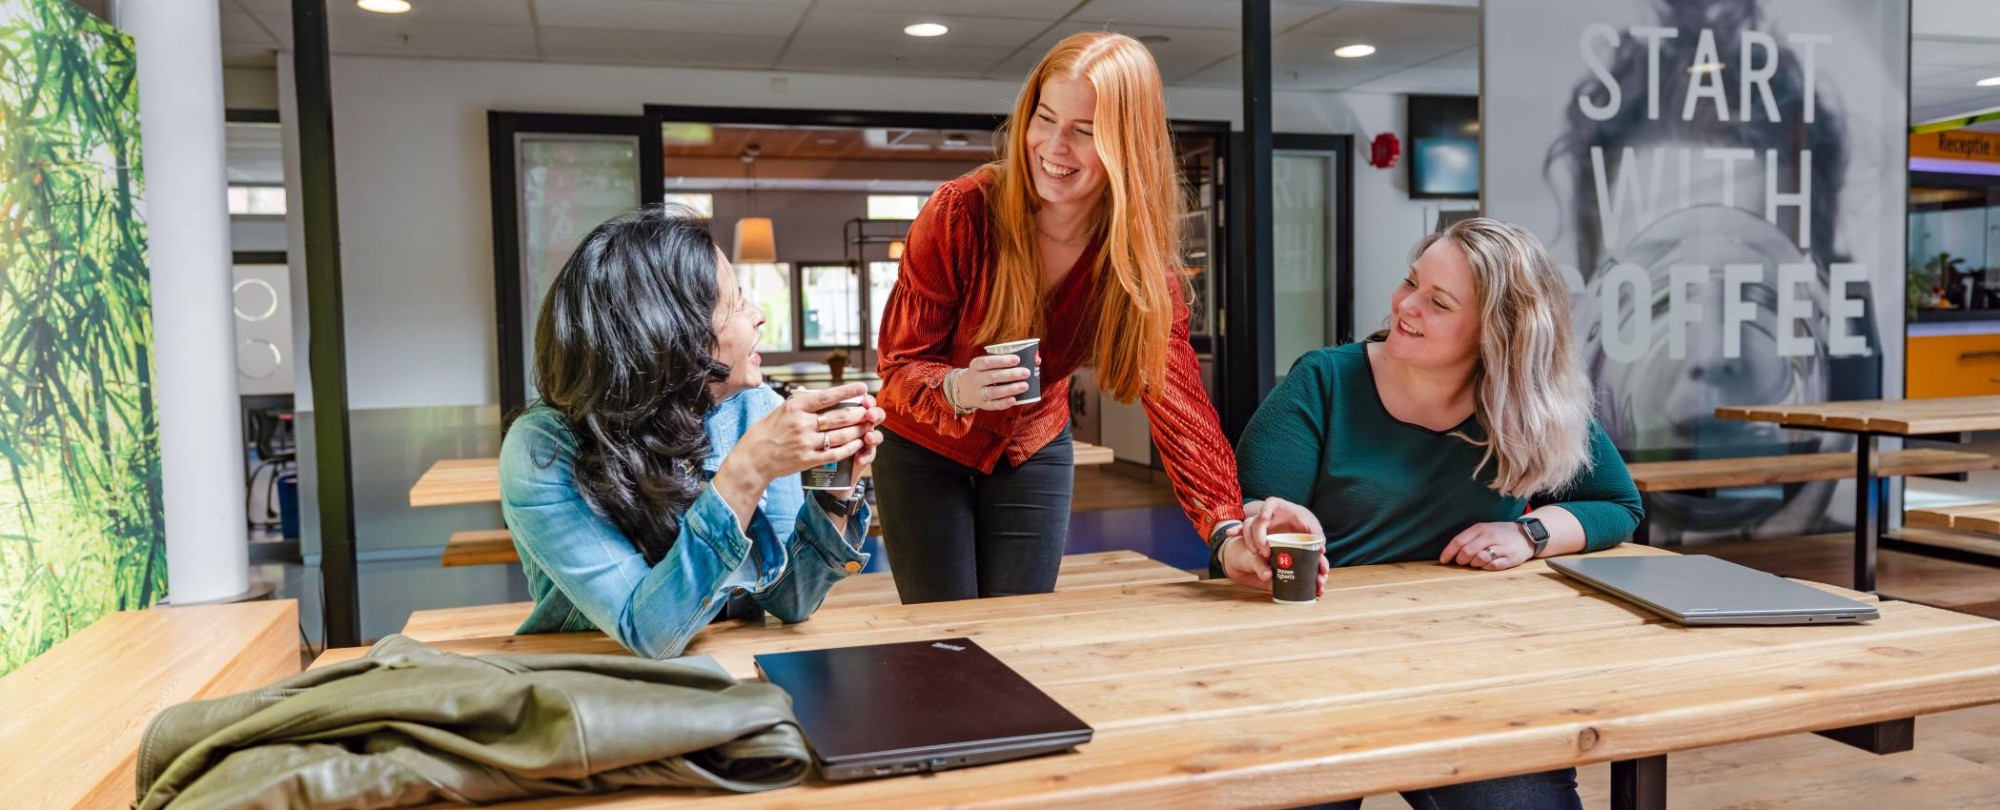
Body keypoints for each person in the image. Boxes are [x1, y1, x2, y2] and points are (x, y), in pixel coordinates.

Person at [1231, 218, 1644, 810]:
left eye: (1439, 302)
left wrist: (1528, 532)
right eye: (1410, 282)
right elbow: (1245, 522)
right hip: (1311, 671)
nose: (1405, 305)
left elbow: (1617, 505)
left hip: (1462, 672)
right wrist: (1266, 532)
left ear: (1497, 335)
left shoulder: (1529, 407)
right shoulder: (1323, 381)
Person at [874, 31, 1283, 604]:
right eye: (1045, 118)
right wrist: (959, 387)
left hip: (1032, 447)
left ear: (1128, 146)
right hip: (925, 450)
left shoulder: (1135, 261)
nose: (1053, 147)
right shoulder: (959, 214)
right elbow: (898, 370)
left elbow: (1178, 402)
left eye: (1085, 132)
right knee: (948, 639)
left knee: (1021, 632)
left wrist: (1227, 529)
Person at [499, 204, 885, 659]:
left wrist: (835, 486)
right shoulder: (542, 448)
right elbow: (648, 633)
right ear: (669, 330)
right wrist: (748, 469)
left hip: (733, 673)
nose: (758, 315)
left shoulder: (757, 409)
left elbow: (790, 600)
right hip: (593, 684)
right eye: (737, 302)